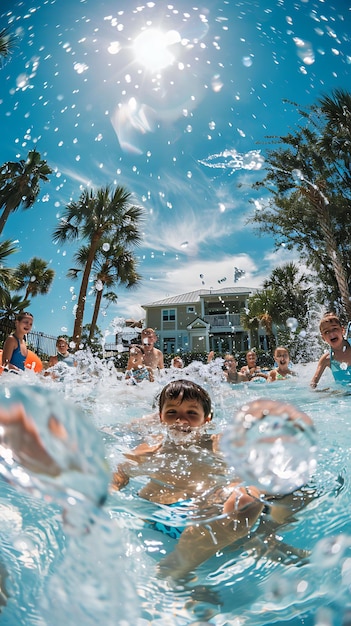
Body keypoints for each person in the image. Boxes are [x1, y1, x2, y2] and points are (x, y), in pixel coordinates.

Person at [112, 379, 314, 580]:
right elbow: (120, 474)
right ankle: (173, 569)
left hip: (212, 515)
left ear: (206, 420)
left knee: (296, 490)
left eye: (191, 413)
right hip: (168, 519)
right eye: (172, 412)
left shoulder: (219, 444)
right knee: (247, 499)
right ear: (160, 417)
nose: (181, 421)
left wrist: (224, 491)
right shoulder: (152, 448)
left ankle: (262, 539)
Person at [310, 312, 351, 388]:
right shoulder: (327, 359)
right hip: (342, 396)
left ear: (342, 330)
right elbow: (313, 383)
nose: (331, 334)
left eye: (334, 328)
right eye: (326, 332)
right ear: (323, 338)